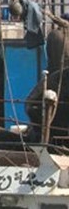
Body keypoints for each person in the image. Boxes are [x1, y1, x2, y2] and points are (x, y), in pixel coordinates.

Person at [25, 14, 69, 142]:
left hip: (57, 78)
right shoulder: (60, 35)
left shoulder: (54, 35)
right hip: (61, 79)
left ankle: (42, 135)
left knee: (32, 104)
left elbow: (29, 105)